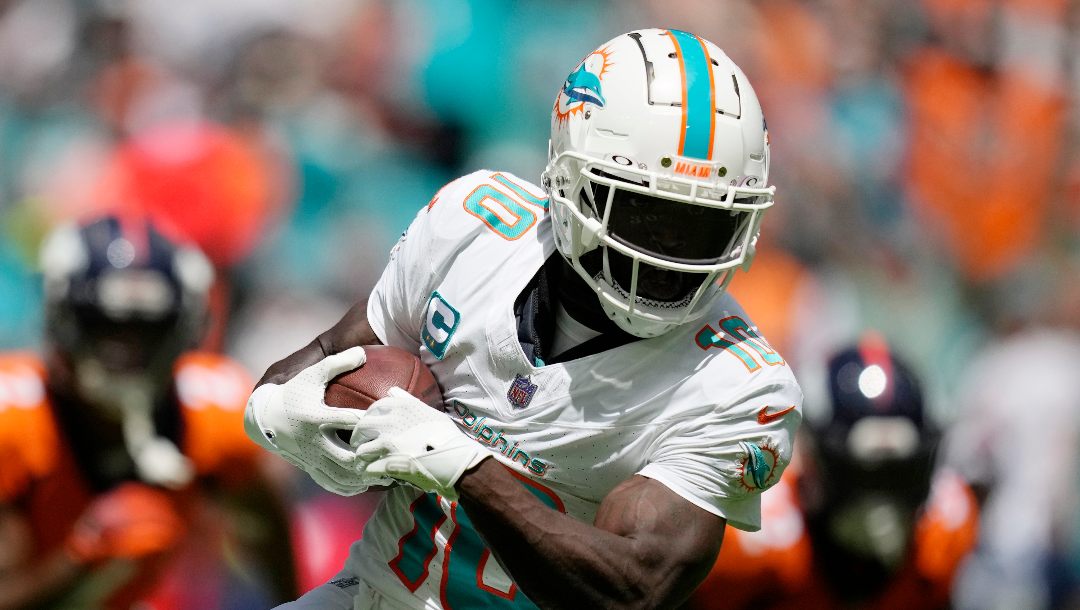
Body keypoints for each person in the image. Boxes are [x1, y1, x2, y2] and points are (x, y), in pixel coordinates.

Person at [245, 28, 803, 609]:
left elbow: (630, 592)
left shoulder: (738, 386)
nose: (671, 258)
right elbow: (315, 368)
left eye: (706, 227)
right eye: (645, 213)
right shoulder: (472, 227)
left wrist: (458, 463)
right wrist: (289, 413)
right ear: (571, 183)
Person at [0, 215, 298, 608]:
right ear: (63, 320)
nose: (124, 353)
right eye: (105, 326)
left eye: (146, 329)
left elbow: (267, 533)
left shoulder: (211, 411)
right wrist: (83, 560)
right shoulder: (16, 419)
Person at [689, 336, 979, 609]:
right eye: (862, 472)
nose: (882, 495)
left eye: (900, 473)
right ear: (811, 459)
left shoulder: (945, 528)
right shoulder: (757, 542)